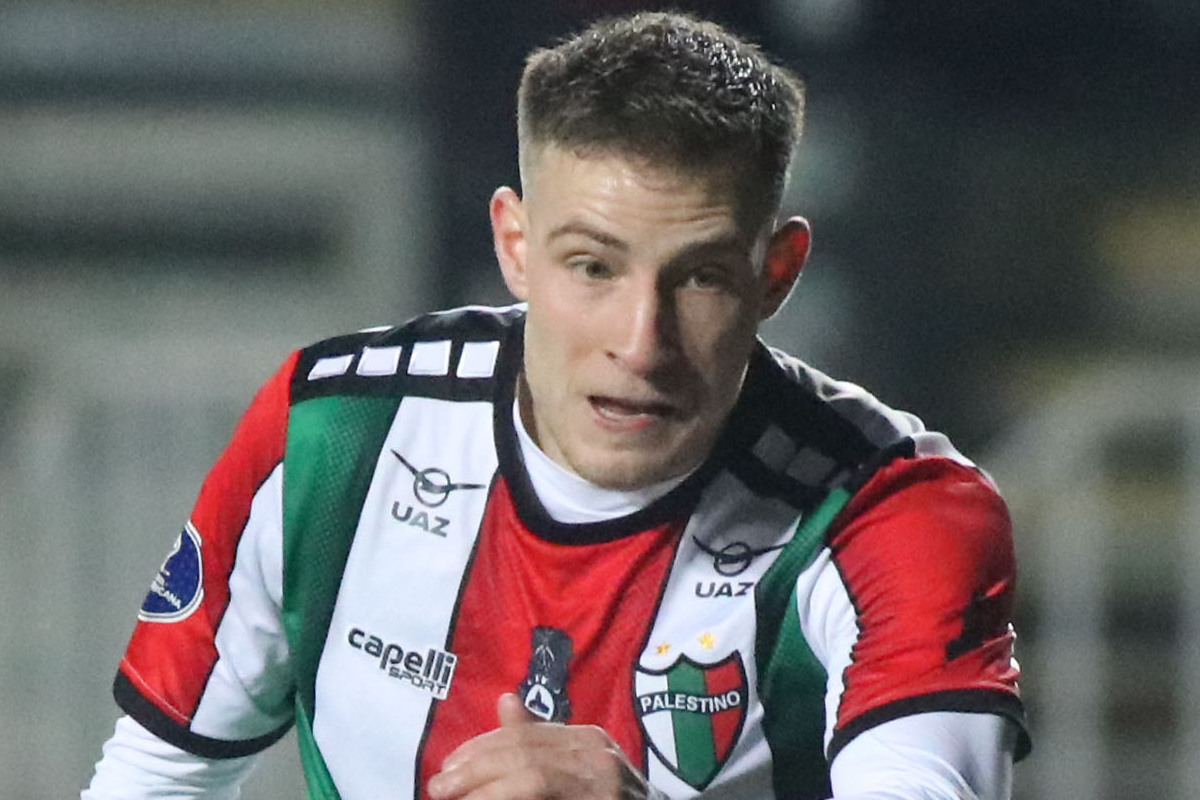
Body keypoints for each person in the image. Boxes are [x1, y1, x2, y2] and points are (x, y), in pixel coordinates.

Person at [83, 11, 1029, 800]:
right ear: (515, 245)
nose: (640, 341)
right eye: (592, 266)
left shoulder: (891, 510)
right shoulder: (333, 436)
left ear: (776, 274)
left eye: (698, 277)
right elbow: (154, 777)